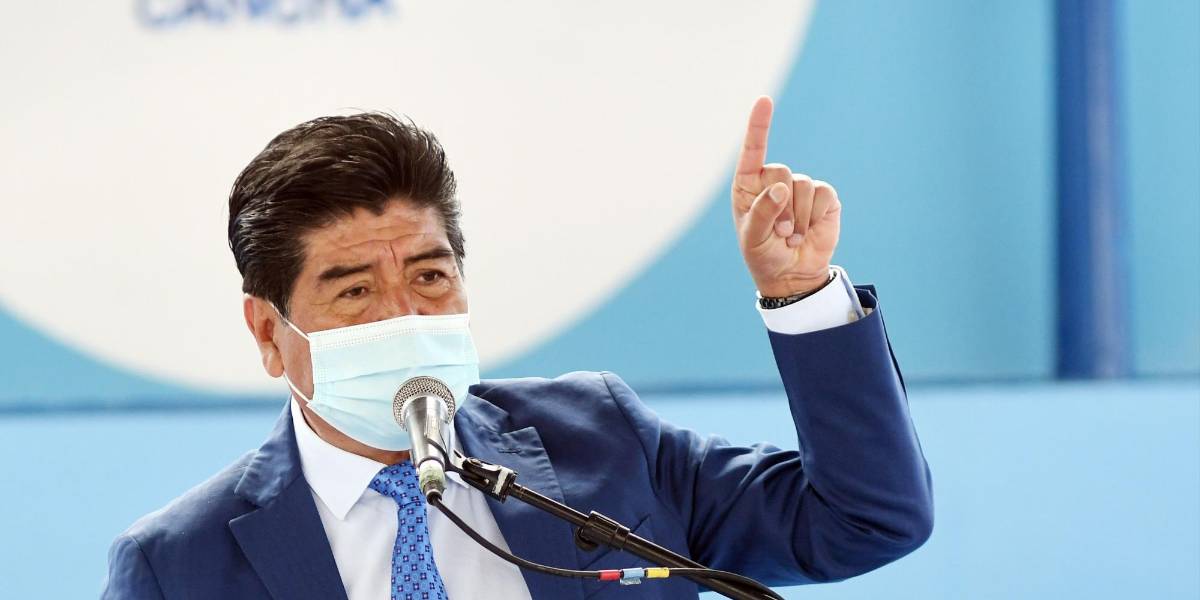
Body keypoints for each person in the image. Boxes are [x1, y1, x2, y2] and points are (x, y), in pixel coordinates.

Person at [101, 97, 933, 599]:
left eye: (430, 277)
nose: (406, 317)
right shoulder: (178, 566)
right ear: (267, 333)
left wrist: (798, 293)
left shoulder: (599, 439)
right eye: (354, 292)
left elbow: (866, 521)